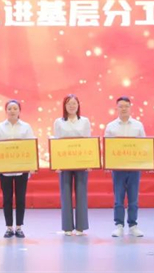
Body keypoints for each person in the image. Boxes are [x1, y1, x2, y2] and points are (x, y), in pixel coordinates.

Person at [0, 99, 36, 238]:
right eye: (10, 108)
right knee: (7, 199)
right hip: (5, 170)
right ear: (6, 111)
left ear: (19, 111)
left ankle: (19, 227)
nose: (12, 111)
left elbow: (30, 146)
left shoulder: (26, 127)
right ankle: (9, 227)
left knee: (21, 198)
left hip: (22, 170)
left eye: (15, 108)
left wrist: (32, 166)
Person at [104, 96, 146, 238]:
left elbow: (144, 146)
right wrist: (108, 163)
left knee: (133, 199)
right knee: (119, 198)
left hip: (134, 168)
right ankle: (119, 225)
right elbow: (107, 147)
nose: (123, 109)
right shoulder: (111, 126)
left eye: (126, 106)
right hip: (118, 169)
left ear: (130, 107)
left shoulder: (138, 125)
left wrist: (145, 162)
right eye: (121, 106)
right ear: (116, 108)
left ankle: (133, 225)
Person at [52, 94, 92, 236]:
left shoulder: (85, 121)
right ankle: (67, 227)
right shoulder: (58, 122)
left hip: (81, 162)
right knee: (65, 193)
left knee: (81, 193)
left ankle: (81, 227)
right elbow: (56, 142)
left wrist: (89, 162)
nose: (72, 106)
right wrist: (57, 164)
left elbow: (88, 141)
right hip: (65, 162)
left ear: (78, 105)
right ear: (64, 106)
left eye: (74, 103)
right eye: (69, 103)